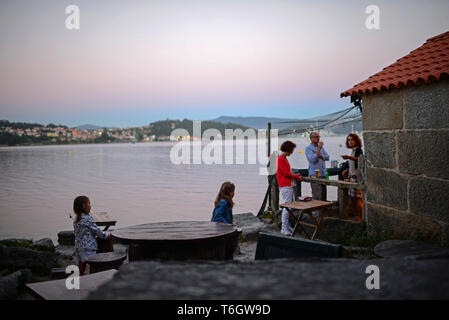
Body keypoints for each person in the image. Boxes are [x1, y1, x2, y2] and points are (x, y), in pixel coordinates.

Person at [73, 195, 111, 275]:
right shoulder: (88, 218)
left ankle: (80, 279)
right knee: (93, 266)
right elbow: (97, 231)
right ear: (84, 206)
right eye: (89, 204)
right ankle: (92, 280)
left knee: (81, 266)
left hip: (79, 247)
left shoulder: (76, 218)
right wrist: (106, 236)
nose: (90, 206)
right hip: (88, 247)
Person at [276, 141, 302, 235]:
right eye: (292, 149)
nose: (293, 151)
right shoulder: (280, 159)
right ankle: (283, 228)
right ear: (289, 149)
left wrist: (295, 175)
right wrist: (296, 177)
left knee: (289, 207)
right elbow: (285, 173)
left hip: (287, 184)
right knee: (287, 207)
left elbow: (287, 172)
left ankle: (287, 226)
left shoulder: (284, 158)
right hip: (285, 185)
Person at [305, 132, 330, 213]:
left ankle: (323, 214)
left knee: (323, 195)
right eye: (316, 137)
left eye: (318, 137)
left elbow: (327, 157)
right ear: (311, 138)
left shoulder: (322, 148)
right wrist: (318, 149)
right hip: (314, 175)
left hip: (323, 174)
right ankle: (316, 214)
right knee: (316, 195)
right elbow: (312, 159)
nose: (318, 138)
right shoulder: (308, 148)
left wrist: (320, 155)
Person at [341, 133, 364, 222]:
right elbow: (353, 163)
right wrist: (347, 170)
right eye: (348, 140)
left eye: (352, 140)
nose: (350, 142)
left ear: (356, 141)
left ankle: (360, 218)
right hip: (351, 177)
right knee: (353, 199)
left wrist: (348, 157)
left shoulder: (358, 150)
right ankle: (356, 216)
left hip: (356, 178)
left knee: (358, 199)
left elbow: (360, 159)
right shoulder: (353, 150)